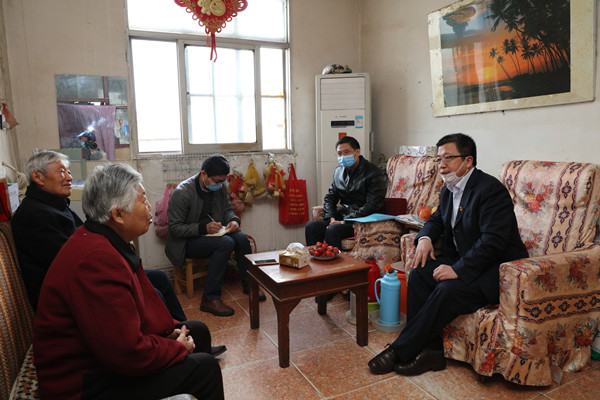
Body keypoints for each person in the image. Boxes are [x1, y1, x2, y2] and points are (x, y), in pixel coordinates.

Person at [33, 163, 224, 400]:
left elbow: (133, 314)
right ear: (118, 214)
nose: (149, 207)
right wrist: (175, 348)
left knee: (197, 330)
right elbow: (126, 353)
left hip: (104, 360)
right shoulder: (96, 260)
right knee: (205, 369)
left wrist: (168, 334)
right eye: (142, 199)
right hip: (85, 384)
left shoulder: (105, 240)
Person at [368, 133, 528, 376]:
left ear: (468, 161)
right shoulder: (448, 190)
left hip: (497, 269)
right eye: (439, 159)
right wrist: (424, 239)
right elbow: (436, 219)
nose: (441, 165)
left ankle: (400, 350)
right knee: (420, 273)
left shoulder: (490, 190)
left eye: (448, 158)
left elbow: (493, 241)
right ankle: (431, 352)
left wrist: (458, 270)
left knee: (447, 289)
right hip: (465, 258)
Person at [12, 151, 188, 322]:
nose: (69, 177)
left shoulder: (55, 205)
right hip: (68, 295)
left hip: (85, 277)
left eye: (69, 171)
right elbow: (70, 265)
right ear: (37, 177)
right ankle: (173, 334)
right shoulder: (35, 215)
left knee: (160, 279)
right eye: (61, 171)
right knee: (152, 292)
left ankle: (183, 330)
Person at [166, 154, 266, 318]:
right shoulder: (182, 192)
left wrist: (233, 220)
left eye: (222, 181)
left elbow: (227, 210)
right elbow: (175, 228)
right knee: (225, 243)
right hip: (186, 242)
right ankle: (210, 299)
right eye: (216, 181)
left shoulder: (219, 187)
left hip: (212, 235)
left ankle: (250, 284)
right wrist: (203, 228)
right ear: (204, 174)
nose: (219, 185)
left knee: (241, 239)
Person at [305, 136, 386, 250]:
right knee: (312, 227)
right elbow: (330, 198)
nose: (342, 156)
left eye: (346, 152)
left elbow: (373, 205)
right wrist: (332, 218)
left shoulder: (373, 173)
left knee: (333, 230)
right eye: (339, 154)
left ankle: (335, 261)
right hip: (344, 217)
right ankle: (317, 259)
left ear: (357, 152)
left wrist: (345, 221)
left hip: (362, 220)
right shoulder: (338, 172)